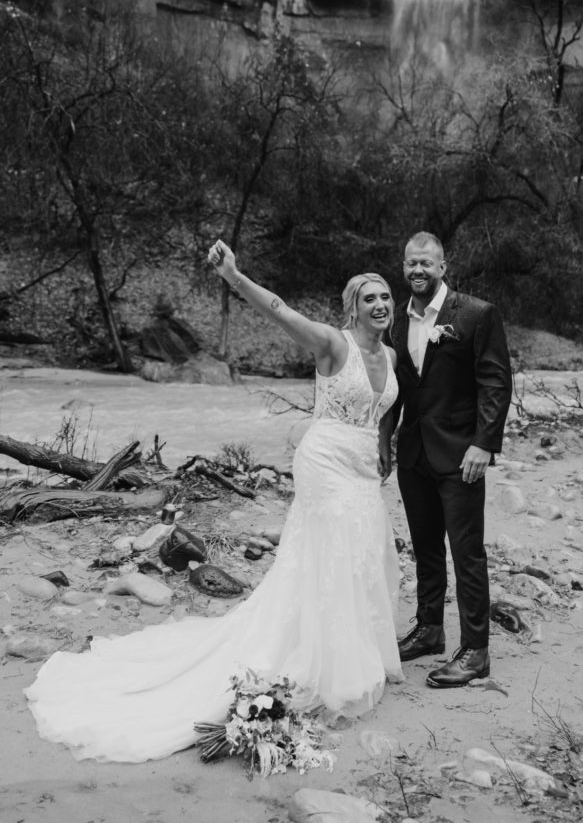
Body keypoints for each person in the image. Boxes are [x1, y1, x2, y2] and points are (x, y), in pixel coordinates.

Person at [25, 241, 403, 762]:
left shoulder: (393, 355)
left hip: (362, 471)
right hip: (326, 463)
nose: (380, 305)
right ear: (352, 308)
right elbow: (279, 310)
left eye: (386, 296)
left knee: (361, 554)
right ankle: (321, 661)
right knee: (328, 555)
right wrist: (234, 276)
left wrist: (384, 450)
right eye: (370, 299)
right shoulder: (331, 344)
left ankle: (354, 653)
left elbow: (384, 414)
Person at [388, 232, 512, 688]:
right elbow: (401, 387)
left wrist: (484, 444)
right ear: (404, 268)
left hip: (463, 456)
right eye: (410, 264)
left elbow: (496, 383)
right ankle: (430, 629)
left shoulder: (476, 314)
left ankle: (476, 650)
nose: (417, 271)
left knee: (467, 552)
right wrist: (387, 442)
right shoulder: (397, 321)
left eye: (426, 263)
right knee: (424, 547)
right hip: (414, 453)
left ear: (443, 267)